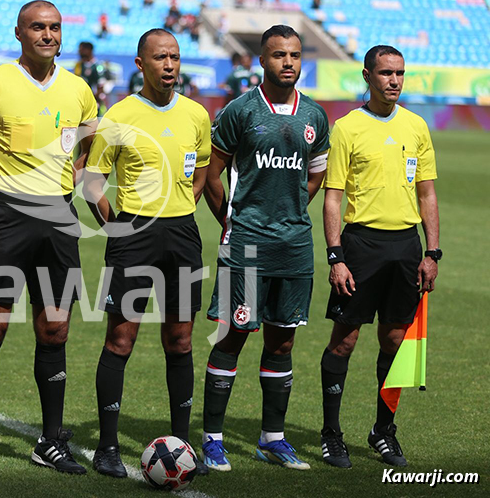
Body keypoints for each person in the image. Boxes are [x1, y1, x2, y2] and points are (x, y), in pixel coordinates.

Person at [0, 0, 97, 479]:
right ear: (19, 32)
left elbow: (88, 144)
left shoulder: (79, 89)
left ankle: (50, 441)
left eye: (55, 27)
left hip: (58, 218)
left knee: (55, 329)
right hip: (5, 214)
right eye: (38, 27)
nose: (48, 35)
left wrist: (66, 182)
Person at [201, 25, 330, 472]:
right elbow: (211, 174)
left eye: (295, 55)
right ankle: (213, 439)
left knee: (282, 342)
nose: (288, 63)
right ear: (263, 60)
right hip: (248, 245)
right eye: (279, 55)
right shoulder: (240, 111)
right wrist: (229, 221)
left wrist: (292, 210)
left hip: (293, 245)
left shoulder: (314, 116)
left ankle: (271, 438)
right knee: (234, 335)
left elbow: (314, 175)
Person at [83, 28, 211, 478]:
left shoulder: (197, 114)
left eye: (175, 56)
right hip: (133, 234)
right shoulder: (119, 114)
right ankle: (107, 447)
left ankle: (183, 446)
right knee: (121, 339)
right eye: (160, 58)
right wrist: (115, 226)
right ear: (141, 64)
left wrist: (181, 207)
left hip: (182, 235)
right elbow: (92, 178)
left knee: (180, 340)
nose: (170, 65)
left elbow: (202, 173)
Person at [319, 45, 440, 469]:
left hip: (406, 248)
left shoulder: (417, 127)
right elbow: (332, 198)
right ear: (367, 76)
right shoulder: (348, 128)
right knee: (345, 340)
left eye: (400, 73)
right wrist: (336, 256)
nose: (393, 80)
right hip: (361, 246)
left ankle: (383, 431)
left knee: (394, 341)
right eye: (386, 73)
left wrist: (432, 252)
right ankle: (331, 434)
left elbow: (427, 193)